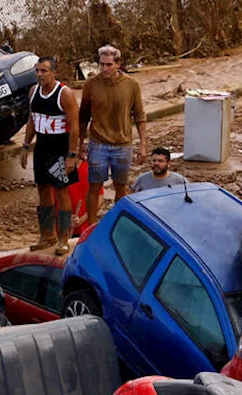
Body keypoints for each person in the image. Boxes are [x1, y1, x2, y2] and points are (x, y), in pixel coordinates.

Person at [78, 44, 147, 227]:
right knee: (94, 186)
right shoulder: (91, 85)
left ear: (118, 64)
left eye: (109, 64)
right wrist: (81, 142)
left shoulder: (131, 85)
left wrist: (143, 145)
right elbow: (83, 115)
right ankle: (92, 227)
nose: (105, 69)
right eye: (102, 64)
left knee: (121, 187)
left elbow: (139, 115)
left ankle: (119, 225)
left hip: (123, 144)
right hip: (98, 143)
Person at [20, 56, 81, 255]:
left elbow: (74, 127)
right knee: (42, 188)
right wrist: (25, 145)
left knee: (61, 189)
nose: (39, 75)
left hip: (59, 148)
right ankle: (47, 234)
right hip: (42, 147)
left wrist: (72, 154)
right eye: (37, 70)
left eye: (44, 71)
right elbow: (31, 119)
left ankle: (63, 238)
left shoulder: (64, 94)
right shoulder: (33, 92)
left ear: (54, 72)